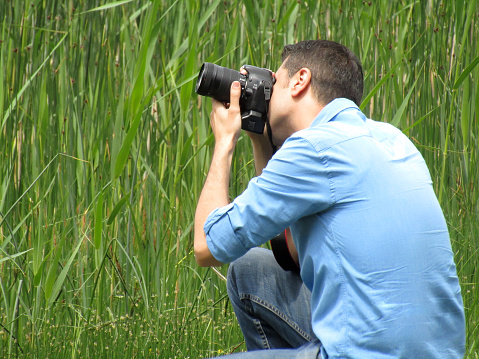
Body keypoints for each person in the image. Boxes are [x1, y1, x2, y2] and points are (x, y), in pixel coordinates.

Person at [194, 40, 465, 358]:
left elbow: (207, 246)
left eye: (275, 82)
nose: (269, 91)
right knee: (250, 269)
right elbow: (292, 254)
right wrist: (260, 139)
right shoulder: (394, 139)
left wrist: (225, 141)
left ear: (300, 80)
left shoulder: (313, 148)